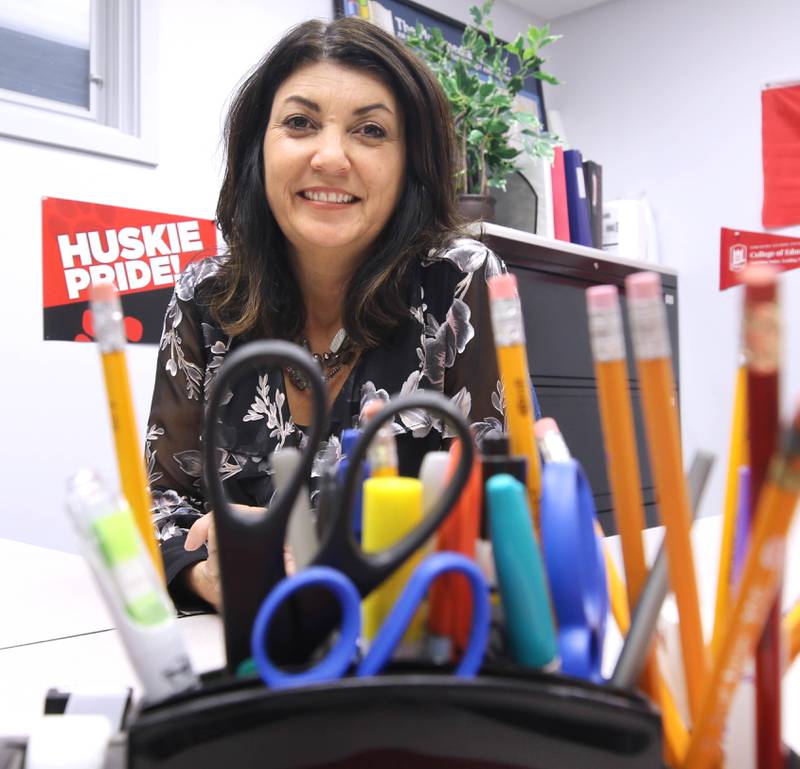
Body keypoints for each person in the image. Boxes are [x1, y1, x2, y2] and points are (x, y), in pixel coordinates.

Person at [145, 16, 507, 613]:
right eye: (299, 123)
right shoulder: (203, 297)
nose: (330, 157)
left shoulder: (460, 281)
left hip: (401, 647)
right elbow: (160, 503)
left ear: (410, 162)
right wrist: (207, 577)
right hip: (246, 652)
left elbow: (507, 508)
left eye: (370, 130)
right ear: (258, 148)